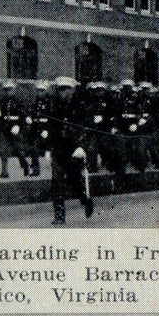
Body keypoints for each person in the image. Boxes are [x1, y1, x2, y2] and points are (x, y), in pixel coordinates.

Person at [48, 76, 93, 225]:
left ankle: (85, 200)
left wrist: (82, 147)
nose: (62, 92)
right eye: (60, 89)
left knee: (74, 182)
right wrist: (49, 149)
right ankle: (59, 216)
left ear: (72, 90)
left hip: (74, 149)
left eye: (65, 89)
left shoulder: (81, 106)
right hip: (59, 150)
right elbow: (52, 129)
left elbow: (86, 128)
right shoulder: (55, 106)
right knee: (57, 182)